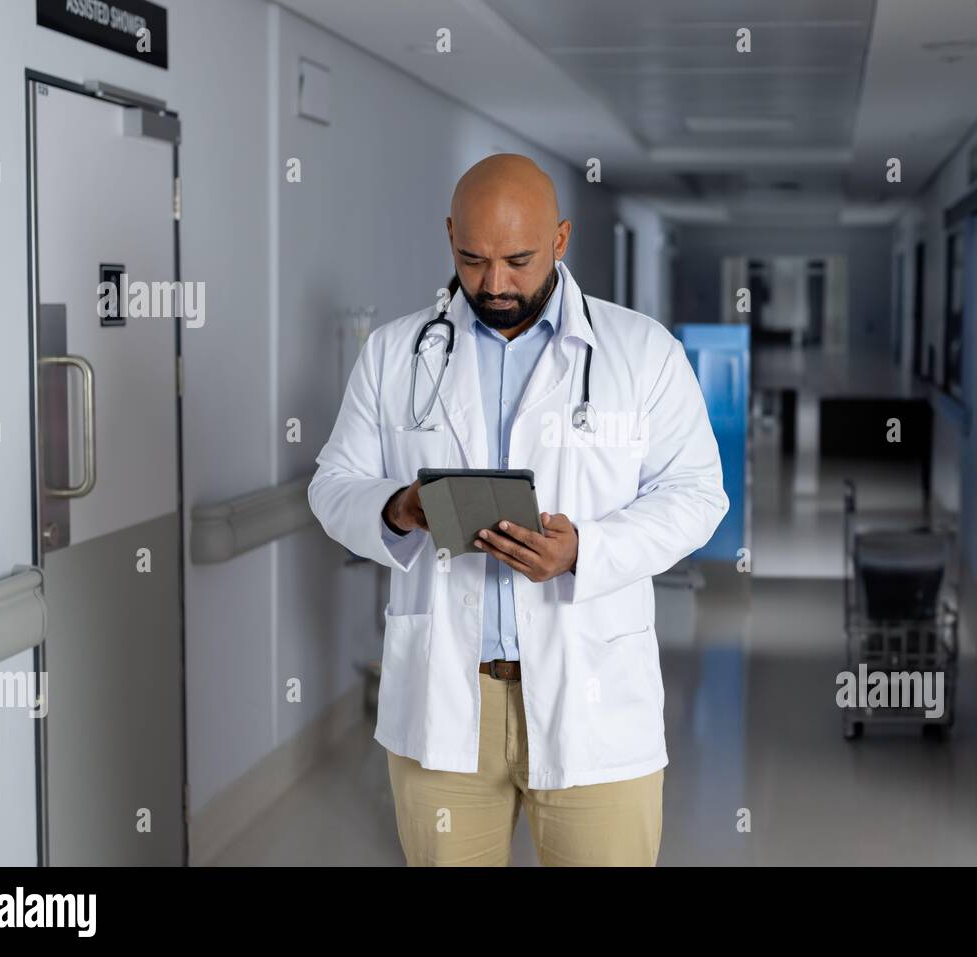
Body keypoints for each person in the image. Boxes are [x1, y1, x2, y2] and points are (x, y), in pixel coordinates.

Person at [308, 153, 727, 866]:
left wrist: (586, 550)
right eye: (472, 259)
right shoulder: (395, 353)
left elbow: (697, 493)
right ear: (449, 235)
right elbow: (332, 483)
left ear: (561, 239)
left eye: (518, 260)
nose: (495, 284)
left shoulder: (640, 351)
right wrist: (398, 507)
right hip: (446, 703)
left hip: (591, 697)